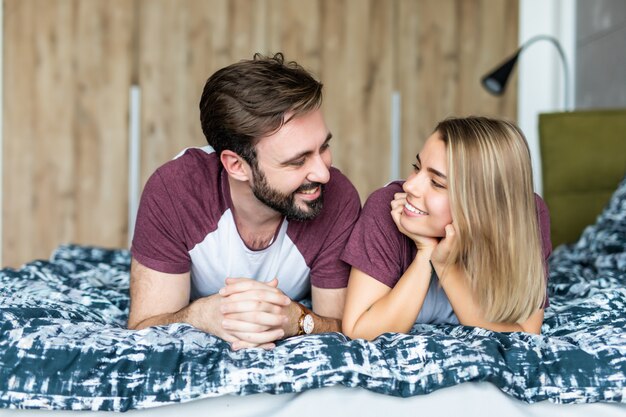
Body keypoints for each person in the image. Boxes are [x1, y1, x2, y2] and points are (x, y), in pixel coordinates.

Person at [128, 53, 361, 350]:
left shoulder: (338, 198)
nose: (323, 173)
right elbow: (142, 326)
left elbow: (346, 326)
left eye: (323, 147)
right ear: (236, 166)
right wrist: (200, 315)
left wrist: (297, 320)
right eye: (297, 161)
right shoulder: (174, 192)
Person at [341, 116, 551, 340]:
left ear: (483, 204)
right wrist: (424, 253)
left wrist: (445, 267)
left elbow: (527, 335)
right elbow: (359, 331)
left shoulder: (525, 216)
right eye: (416, 167)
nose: (410, 186)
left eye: (437, 183)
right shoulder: (387, 208)